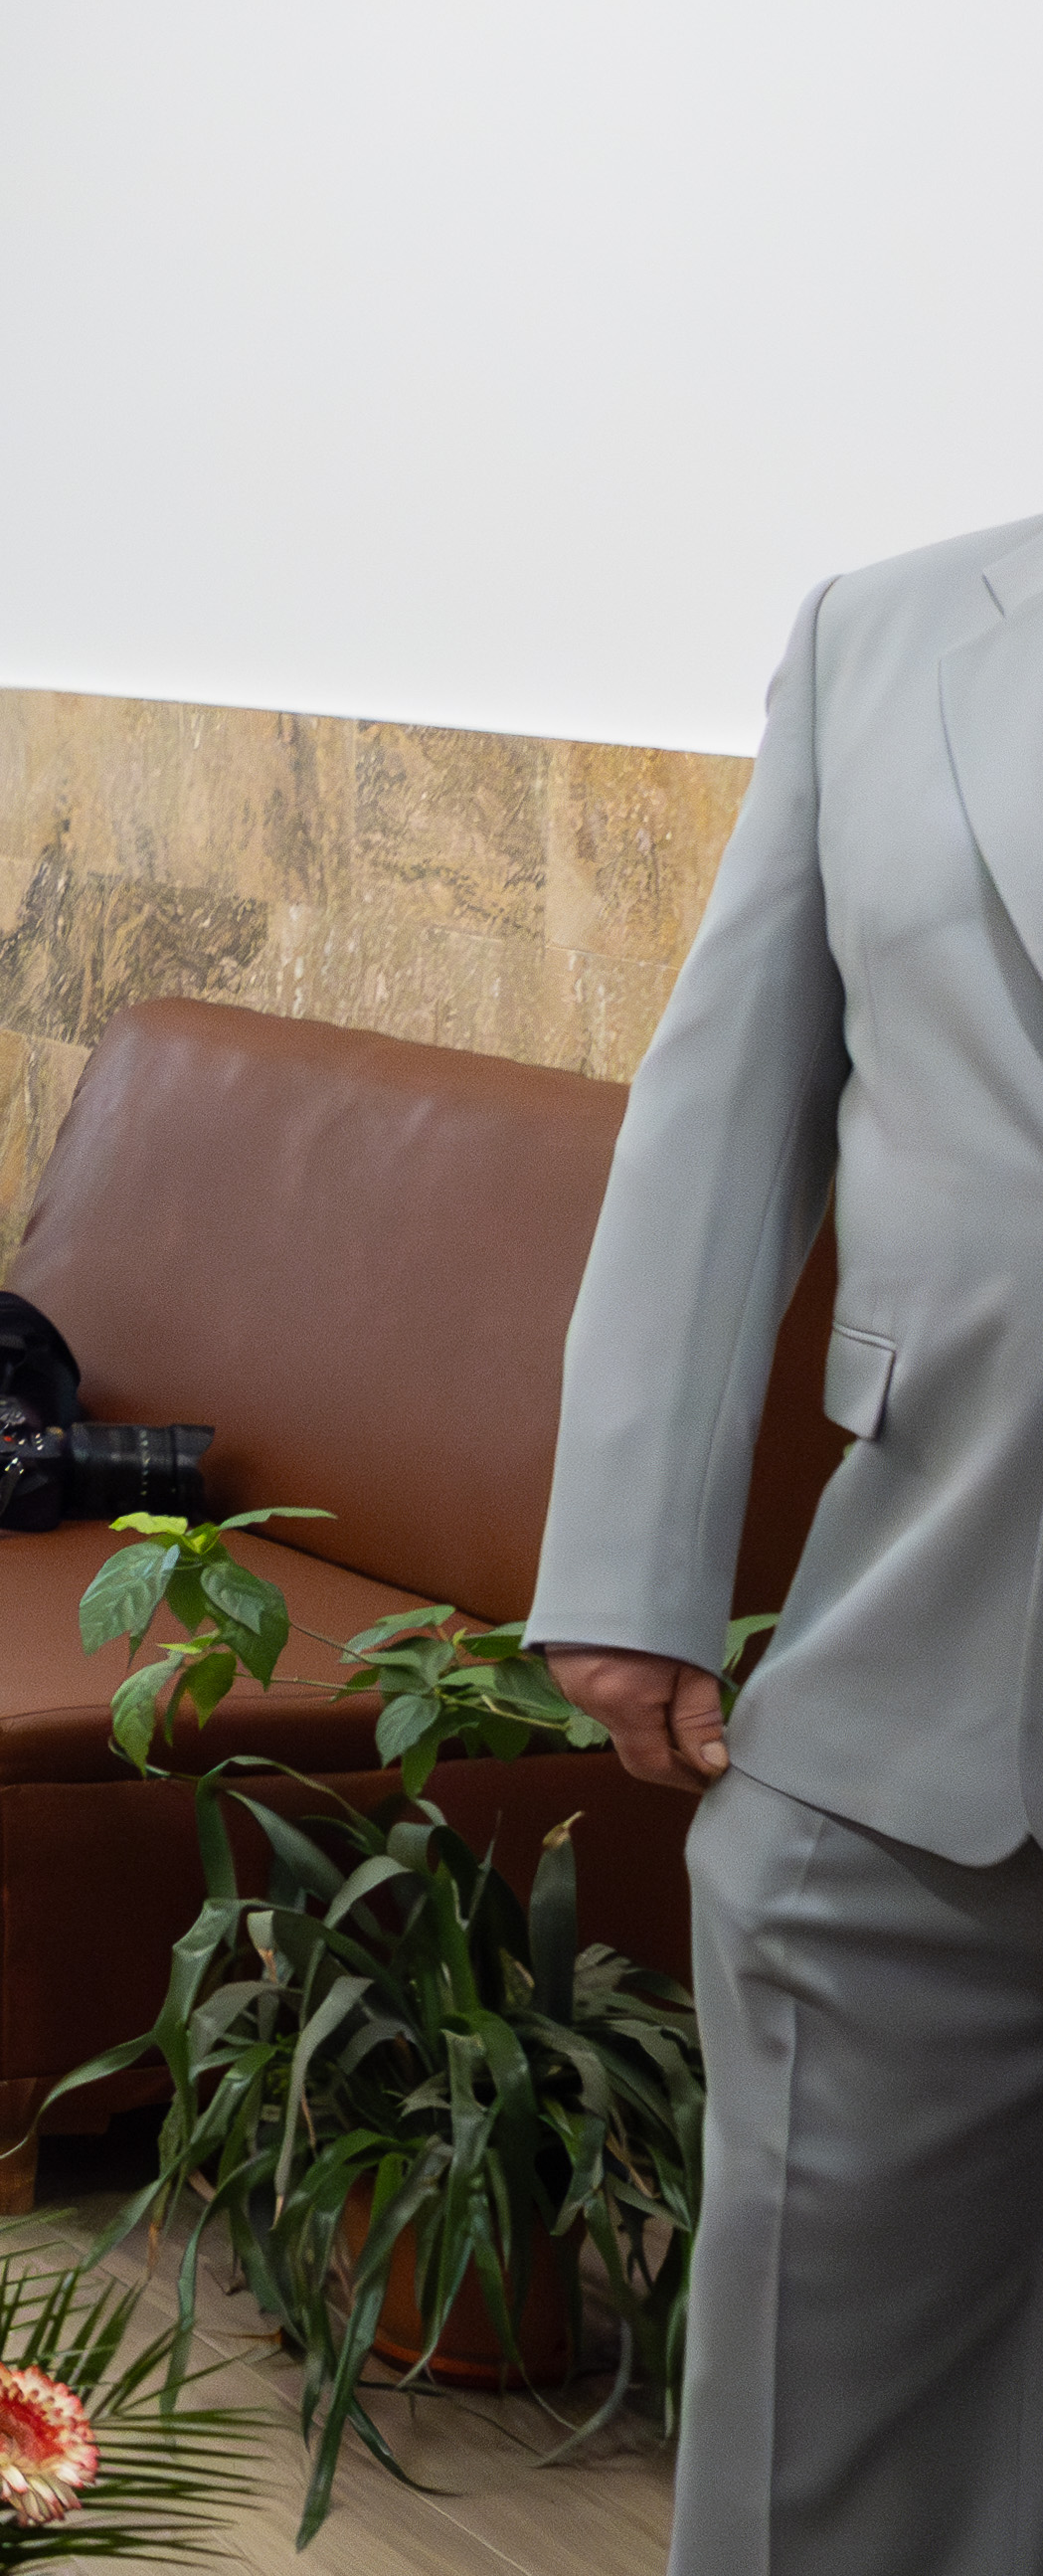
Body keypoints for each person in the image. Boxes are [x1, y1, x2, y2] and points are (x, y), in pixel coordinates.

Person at [530, 510, 1043, 2576]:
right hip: (913, 1716)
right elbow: (723, 1108)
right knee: (803, 2463)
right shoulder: (884, 640)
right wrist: (630, 1568)